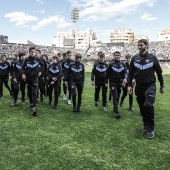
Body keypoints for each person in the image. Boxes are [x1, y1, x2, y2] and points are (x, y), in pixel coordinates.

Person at [128, 39, 165, 139]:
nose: (139, 47)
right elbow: (130, 73)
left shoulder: (153, 58)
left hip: (150, 86)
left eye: (141, 45)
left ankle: (151, 129)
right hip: (139, 87)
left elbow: (159, 73)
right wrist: (129, 85)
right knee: (142, 107)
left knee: (148, 105)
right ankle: (146, 126)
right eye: (138, 46)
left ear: (147, 46)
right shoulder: (134, 58)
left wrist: (162, 85)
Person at [21, 47, 43, 116]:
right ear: (29, 52)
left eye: (34, 51)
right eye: (31, 51)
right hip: (28, 78)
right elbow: (22, 68)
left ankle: (34, 108)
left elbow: (43, 66)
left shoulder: (38, 59)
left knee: (34, 92)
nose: (33, 52)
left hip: (35, 78)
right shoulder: (26, 60)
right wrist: (23, 74)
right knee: (30, 92)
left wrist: (40, 71)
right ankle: (31, 104)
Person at [105, 51, 127, 119]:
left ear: (120, 56)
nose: (117, 56)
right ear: (113, 56)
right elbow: (107, 74)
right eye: (116, 55)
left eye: (118, 55)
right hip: (112, 82)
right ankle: (117, 112)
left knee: (118, 95)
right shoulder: (111, 64)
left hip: (119, 83)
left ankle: (115, 108)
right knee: (115, 96)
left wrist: (125, 79)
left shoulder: (122, 64)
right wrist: (106, 82)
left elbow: (125, 73)